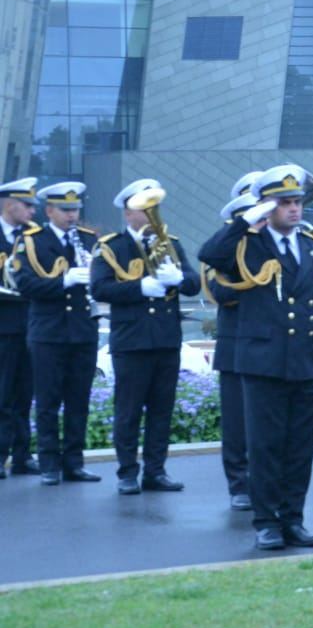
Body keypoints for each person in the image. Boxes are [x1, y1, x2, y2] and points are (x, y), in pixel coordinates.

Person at [198, 165, 313, 550]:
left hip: (305, 362)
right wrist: (245, 222)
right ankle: (266, 521)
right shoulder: (248, 246)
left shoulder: (311, 247)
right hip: (263, 363)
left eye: (297, 202)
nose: (295, 209)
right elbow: (210, 254)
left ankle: (293, 518)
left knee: (300, 448)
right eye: (285, 203)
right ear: (267, 209)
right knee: (266, 446)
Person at [90, 178, 201, 494]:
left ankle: (156, 471)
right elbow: (99, 288)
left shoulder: (171, 243)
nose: (152, 212)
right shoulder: (112, 246)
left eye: (154, 206)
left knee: (161, 410)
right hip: (132, 342)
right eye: (144, 207)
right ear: (128, 213)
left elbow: (194, 283)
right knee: (128, 411)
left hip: (166, 340)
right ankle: (127, 472)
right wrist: (139, 287)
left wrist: (178, 278)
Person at [9, 181, 101, 485]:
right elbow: (26, 286)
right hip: (48, 333)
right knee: (48, 402)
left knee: (79, 401)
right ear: (50, 210)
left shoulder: (88, 240)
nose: (72, 216)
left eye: (75, 210)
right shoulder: (32, 241)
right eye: (65, 210)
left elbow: (101, 282)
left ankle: (74, 462)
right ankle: (49, 463)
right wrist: (65, 280)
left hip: (83, 331)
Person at [200, 172, 260, 510]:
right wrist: (257, 287)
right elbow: (218, 290)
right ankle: (239, 483)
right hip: (236, 342)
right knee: (237, 421)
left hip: (268, 343)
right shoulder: (224, 244)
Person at [0, 177, 42, 478]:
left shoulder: (34, 236)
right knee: (1, 394)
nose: (31, 211)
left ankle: (22, 454)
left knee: (24, 396)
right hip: (2, 325)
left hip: (31, 323)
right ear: (8, 204)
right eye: (26, 205)